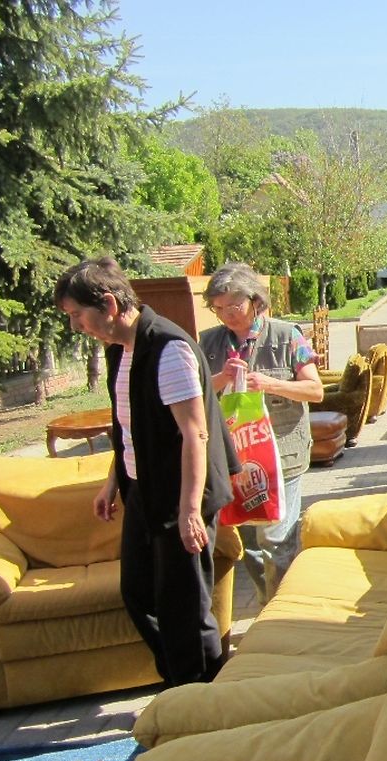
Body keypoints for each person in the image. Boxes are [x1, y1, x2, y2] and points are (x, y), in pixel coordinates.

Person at [55, 257, 238, 687]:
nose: (76, 326)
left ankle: (203, 697)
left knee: (184, 608)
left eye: (77, 314)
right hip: (143, 490)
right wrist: (112, 482)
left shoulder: (167, 349)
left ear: (108, 304)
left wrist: (189, 512)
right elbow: (129, 427)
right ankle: (183, 683)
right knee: (138, 594)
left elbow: (195, 434)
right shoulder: (121, 350)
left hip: (180, 496)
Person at [199, 263, 323, 603]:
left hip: (282, 457)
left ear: (255, 301)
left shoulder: (287, 336)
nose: (227, 315)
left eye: (234, 306)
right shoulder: (208, 343)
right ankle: (269, 601)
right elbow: (195, 396)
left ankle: (281, 611)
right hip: (234, 460)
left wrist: (270, 383)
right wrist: (221, 379)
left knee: (276, 539)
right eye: (218, 308)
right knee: (250, 543)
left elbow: (315, 391)